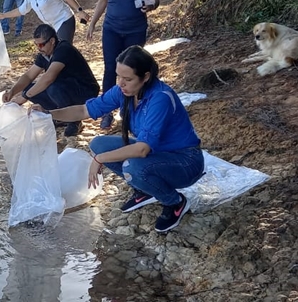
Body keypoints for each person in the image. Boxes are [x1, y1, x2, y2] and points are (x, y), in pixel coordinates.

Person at [37, 46, 204, 232]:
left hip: (185, 162)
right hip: (156, 153)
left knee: (131, 166)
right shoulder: (124, 91)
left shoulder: (160, 99)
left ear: (146, 77)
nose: (121, 83)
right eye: (118, 76)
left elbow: (142, 149)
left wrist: (98, 160)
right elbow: (84, 110)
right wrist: (47, 114)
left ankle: (175, 202)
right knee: (99, 144)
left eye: (128, 79)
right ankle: (145, 190)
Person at [87, 0, 160, 129]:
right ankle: (106, 112)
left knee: (132, 70)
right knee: (110, 68)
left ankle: (128, 109)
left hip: (135, 30)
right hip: (111, 29)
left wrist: (150, 6)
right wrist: (93, 22)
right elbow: (102, 1)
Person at [3, 24, 99, 136]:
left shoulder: (63, 49)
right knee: (30, 88)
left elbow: (49, 77)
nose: (39, 48)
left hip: (85, 91)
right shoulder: (44, 54)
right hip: (65, 88)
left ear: (52, 41)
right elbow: (28, 76)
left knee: (51, 88)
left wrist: (25, 97)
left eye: (41, 45)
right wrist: (12, 92)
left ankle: (74, 121)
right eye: (36, 45)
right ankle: (59, 116)